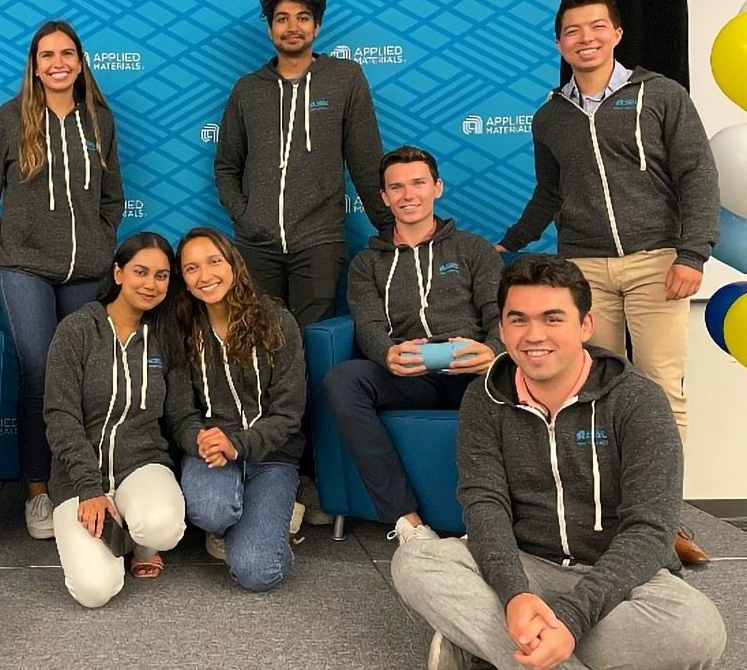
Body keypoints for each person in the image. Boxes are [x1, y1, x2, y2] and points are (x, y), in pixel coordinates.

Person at [391, 255, 725, 670]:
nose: (534, 336)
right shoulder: (484, 398)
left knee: (697, 631)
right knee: (415, 562)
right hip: (526, 567)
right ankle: (542, 656)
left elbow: (651, 529)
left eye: (552, 319)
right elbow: (484, 504)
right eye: (518, 320)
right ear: (501, 330)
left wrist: (571, 619)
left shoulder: (638, 400)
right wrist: (513, 595)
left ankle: (486, 647)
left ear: (585, 325)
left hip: (619, 580)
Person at [495, 0, 719, 564]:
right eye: (573, 31)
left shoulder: (661, 95)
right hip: (585, 269)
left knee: (662, 392)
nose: (585, 38)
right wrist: (511, 242)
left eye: (596, 27)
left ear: (617, 33)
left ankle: (663, 520)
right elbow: (550, 192)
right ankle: (609, 519)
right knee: (593, 394)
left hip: (657, 263)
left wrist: (691, 254)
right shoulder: (550, 115)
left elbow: (696, 173)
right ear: (559, 43)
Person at [0, 20, 124, 540]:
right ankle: (37, 488)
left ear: (81, 62)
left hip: (86, 269)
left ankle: (81, 481)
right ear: (35, 64)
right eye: (47, 55)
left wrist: (103, 242)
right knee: (40, 369)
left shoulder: (100, 120)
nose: (58, 62)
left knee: (85, 374)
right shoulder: (11, 117)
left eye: (67, 53)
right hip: (24, 265)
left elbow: (112, 194)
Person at [323, 146, 502, 544]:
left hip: (473, 372)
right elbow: (368, 323)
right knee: (343, 380)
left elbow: (499, 314)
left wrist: (492, 352)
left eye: (418, 183)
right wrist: (386, 353)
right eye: (397, 187)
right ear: (384, 197)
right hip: (409, 375)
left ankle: (491, 520)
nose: (408, 195)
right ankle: (407, 521)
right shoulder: (367, 264)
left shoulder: (473, 250)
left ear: (437, 187)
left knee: (513, 380)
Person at [214, 0, 386, 328]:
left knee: (312, 343)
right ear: (270, 28)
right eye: (282, 18)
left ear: (317, 25)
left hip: (319, 241)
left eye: (303, 17)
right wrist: (245, 218)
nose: (292, 27)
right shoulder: (247, 89)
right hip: (256, 245)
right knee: (260, 340)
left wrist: (388, 227)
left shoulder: (345, 78)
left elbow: (367, 161)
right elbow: (227, 166)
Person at [43, 232, 189, 608]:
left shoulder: (166, 336)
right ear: (118, 273)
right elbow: (60, 416)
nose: (151, 284)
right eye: (141, 271)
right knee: (95, 591)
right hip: (78, 479)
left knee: (163, 526)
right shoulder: (77, 330)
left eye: (161, 275)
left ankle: (138, 537)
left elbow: (180, 415)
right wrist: (90, 489)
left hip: (141, 463)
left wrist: (208, 442)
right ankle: (112, 535)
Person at [173, 227, 306, 591]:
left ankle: (267, 524)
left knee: (256, 572)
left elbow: (288, 412)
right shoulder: (182, 330)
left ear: (234, 264)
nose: (205, 275)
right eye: (191, 268)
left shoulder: (277, 322)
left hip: (272, 458)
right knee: (212, 508)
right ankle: (236, 520)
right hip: (210, 453)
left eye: (214, 261)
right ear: (183, 281)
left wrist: (239, 445)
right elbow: (180, 413)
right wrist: (200, 440)